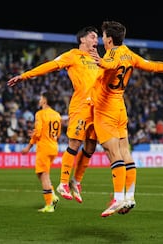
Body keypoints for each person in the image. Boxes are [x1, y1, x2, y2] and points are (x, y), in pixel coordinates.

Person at [90, 20, 163, 217]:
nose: (102, 38)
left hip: (105, 110)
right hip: (120, 108)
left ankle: (117, 198)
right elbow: (153, 66)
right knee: (125, 152)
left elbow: (111, 63)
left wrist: (101, 62)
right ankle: (130, 196)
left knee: (113, 153)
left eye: (103, 36)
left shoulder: (112, 55)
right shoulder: (129, 54)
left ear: (109, 39)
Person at [7, 26, 100, 204]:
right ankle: (63, 182)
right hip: (81, 106)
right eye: (93, 37)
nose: (96, 41)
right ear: (82, 40)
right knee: (75, 143)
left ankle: (76, 181)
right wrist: (25, 76)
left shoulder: (98, 59)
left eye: (97, 38)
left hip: (97, 109)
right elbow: (50, 66)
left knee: (90, 147)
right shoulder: (72, 55)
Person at [21, 91, 62, 213]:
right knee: (42, 174)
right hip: (54, 146)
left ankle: (49, 204)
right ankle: (53, 196)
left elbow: (38, 132)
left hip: (44, 148)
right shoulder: (57, 115)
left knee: (43, 176)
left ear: (45, 100)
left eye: (41, 98)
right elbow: (58, 134)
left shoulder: (40, 114)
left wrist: (28, 146)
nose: (39, 100)